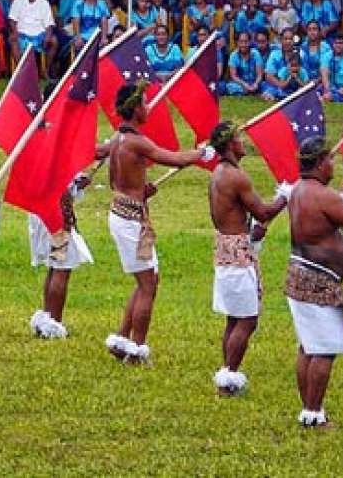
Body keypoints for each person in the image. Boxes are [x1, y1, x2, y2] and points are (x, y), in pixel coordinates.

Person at [105, 81, 210, 363]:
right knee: (148, 285)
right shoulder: (137, 141)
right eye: (145, 103)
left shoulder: (117, 140)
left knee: (146, 281)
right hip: (131, 221)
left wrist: (141, 189)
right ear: (135, 108)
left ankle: (122, 339)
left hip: (123, 213)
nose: (149, 107)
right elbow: (174, 159)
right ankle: (136, 349)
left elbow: (115, 180)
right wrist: (201, 153)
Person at [206, 122, 289, 396]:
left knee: (234, 317)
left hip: (226, 246)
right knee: (247, 320)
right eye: (239, 139)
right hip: (237, 253)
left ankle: (226, 372)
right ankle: (229, 377)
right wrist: (284, 197)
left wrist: (248, 233)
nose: (244, 143)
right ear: (230, 144)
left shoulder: (217, 173)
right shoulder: (236, 176)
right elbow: (264, 212)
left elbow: (224, 216)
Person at [285, 136, 343, 427]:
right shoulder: (322, 195)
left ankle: (309, 409)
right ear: (321, 162)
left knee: (308, 346)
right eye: (331, 159)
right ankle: (313, 413)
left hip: (301, 274)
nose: (334, 164)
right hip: (318, 281)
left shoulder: (300, 190)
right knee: (323, 348)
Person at [28, 169, 94, 339]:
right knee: (61, 267)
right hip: (55, 213)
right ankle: (54, 322)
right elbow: (58, 182)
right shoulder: (53, 148)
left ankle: (48, 316)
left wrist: (76, 185)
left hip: (44, 209)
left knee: (54, 266)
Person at [8, 0, 56, 76]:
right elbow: (12, 20)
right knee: (12, 39)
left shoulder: (44, 3)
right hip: (22, 34)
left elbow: (49, 24)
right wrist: (15, 32)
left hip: (39, 35)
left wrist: (48, 36)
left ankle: (45, 70)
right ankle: (22, 72)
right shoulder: (18, 0)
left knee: (54, 41)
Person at [225, 31, 263, 96]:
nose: (243, 44)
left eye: (246, 42)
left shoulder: (255, 53)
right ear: (237, 42)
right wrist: (245, 84)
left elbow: (259, 74)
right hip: (241, 84)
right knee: (230, 86)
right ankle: (251, 92)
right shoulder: (233, 55)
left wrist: (256, 84)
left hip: (255, 83)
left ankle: (249, 91)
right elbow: (233, 76)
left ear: (250, 42)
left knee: (264, 85)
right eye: (241, 42)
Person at [322, 32, 343, 102]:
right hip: (331, 91)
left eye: (340, 43)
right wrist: (328, 92)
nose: (338, 45)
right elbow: (325, 77)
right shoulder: (327, 56)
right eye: (336, 43)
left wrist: (341, 92)